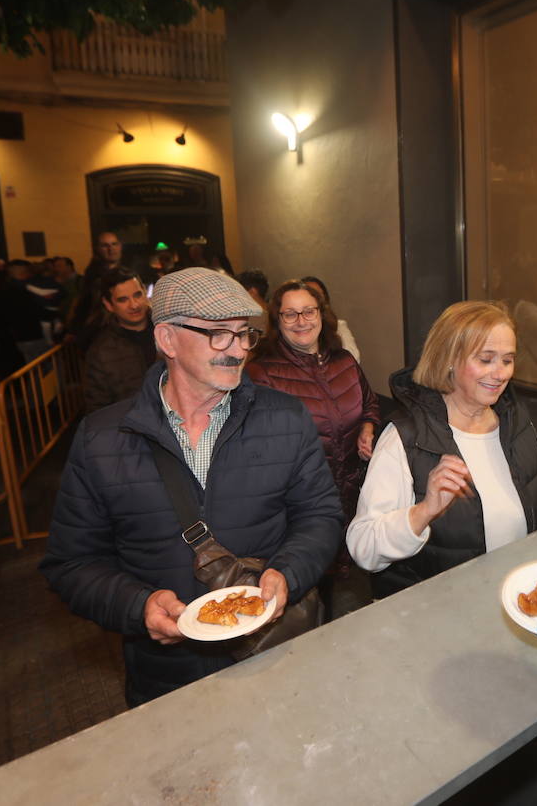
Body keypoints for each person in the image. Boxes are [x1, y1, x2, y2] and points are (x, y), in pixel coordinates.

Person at [40, 267, 343, 706]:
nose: (237, 348)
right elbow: (71, 564)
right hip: (168, 679)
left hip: (278, 658)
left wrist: (288, 573)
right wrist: (137, 606)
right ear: (166, 340)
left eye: (244, 334)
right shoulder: (102, 438)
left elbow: (320, 516)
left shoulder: (286, 418)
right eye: (219, 334)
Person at [347, 300, 537, 598]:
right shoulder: (405, 437)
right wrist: (425, 511)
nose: (500, 373)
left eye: (507, 360)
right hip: (440, 613)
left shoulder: (515, 422)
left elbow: (521, 501)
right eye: (486, 359)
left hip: (515, 599)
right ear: (449, 360)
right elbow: (363, 548)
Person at [246, 280, 380, 613]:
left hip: (353, 497)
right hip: (300, 509)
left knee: (352, 602)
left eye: (308, 311)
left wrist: (368, 426)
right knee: (305, 607)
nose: (301, 321)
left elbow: (371, 402)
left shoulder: (344, 361)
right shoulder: (262, 373)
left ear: (322, 314)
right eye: (289, 314)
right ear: (277, 321)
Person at [82, 267, 156, 413]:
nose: (134, 305)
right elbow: (97, 408)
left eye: (137, 295)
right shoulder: (101, 352)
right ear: (109, 305)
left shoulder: (170, 331)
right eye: (123, 300)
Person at [300, 275, 361, 363]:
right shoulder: (293, 328)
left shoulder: (338, 327)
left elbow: (353, 359)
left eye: (318, 295)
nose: (314, 300)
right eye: (309, 295)